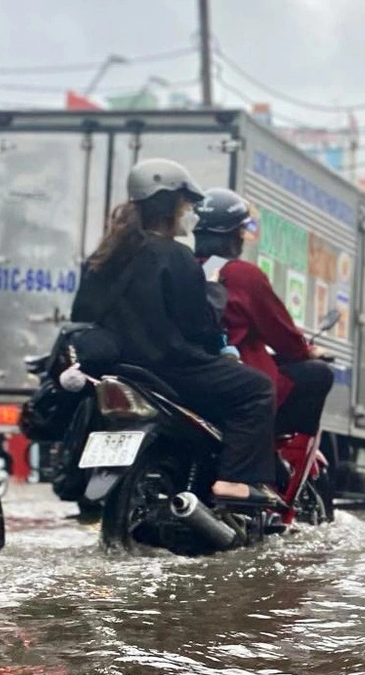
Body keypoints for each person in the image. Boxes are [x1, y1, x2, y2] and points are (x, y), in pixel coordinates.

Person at [71, 161, 279, 506]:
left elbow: (82, 315)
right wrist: (215, 308)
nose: (186, 214)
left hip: (118, 371)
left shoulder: (103, 257)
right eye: (184, 205)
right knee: (257, 388)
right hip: (173, 371)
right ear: (171, 206)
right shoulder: (176, 256)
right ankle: (233, 481)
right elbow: (200, 330)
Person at [192, 189, 335, 438]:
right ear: (237, 233)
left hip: (188, 373)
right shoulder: (242, 274)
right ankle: (272, 445)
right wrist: (307, 351)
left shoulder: (185, 266)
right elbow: (282, 334)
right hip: (234, 378)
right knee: (318, 374)